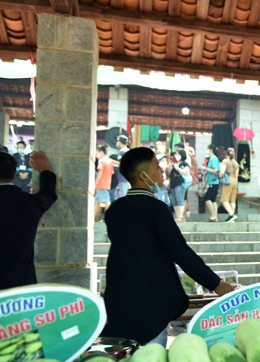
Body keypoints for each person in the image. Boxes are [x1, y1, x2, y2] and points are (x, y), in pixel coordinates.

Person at [100, 147, 233, 345]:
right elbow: (180, 251)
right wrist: (216, 284)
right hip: (149, 305)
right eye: (156, 166)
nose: (162, 170)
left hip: (119, 302)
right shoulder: (156, 209)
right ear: (144, 175)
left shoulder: (115, 210)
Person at [0, 151, 57, 295]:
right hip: (22, 290)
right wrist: (46, 170)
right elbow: (49, 193)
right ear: (13, 175)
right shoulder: (31, 203)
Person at [169, 149, 190, 222]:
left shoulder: (185, 164)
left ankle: (181, 216)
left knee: (179, 199)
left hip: (180, 184)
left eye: (178, 154)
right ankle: (178, 216)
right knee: (174, 200)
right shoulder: (175, 163)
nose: (176, 156)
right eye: (176, 154)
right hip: (173, 184)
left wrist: (177, 168)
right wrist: (170, 166)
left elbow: (186, 172)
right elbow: (169, 173)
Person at [219, 147, 239, 223]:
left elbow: (221, 173)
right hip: (235, 181)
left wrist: (219, 176)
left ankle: (231, 215)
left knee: (224, 199)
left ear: (226, 153)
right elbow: (236, 175)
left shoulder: (225, 161)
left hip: (228, 180)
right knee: (232, 200)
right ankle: (232, 218)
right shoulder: (236, 163)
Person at [202, 144, 221, 221]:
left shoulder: (213, 159)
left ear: (211, 150)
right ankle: (215, 217)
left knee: (207, 198)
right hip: (212, 182)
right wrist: (205, 183)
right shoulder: (212, 159)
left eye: (207, 149)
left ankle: (213, 215)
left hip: (214, 182)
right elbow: (209, 174)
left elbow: (215, 170)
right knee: (213, 200)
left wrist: (205, 168)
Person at [94, 145, 114, 221]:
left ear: (101, 152)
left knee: (106, 201)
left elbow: (100, 172)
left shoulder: (101, 161)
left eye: (97, 154)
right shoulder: (109, 161)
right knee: (98, 202)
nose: (96, 156)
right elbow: (111, 173)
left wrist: (96, 183)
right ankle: (91, 217)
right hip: (107, 183)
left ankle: (111, 216)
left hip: (101, 183)